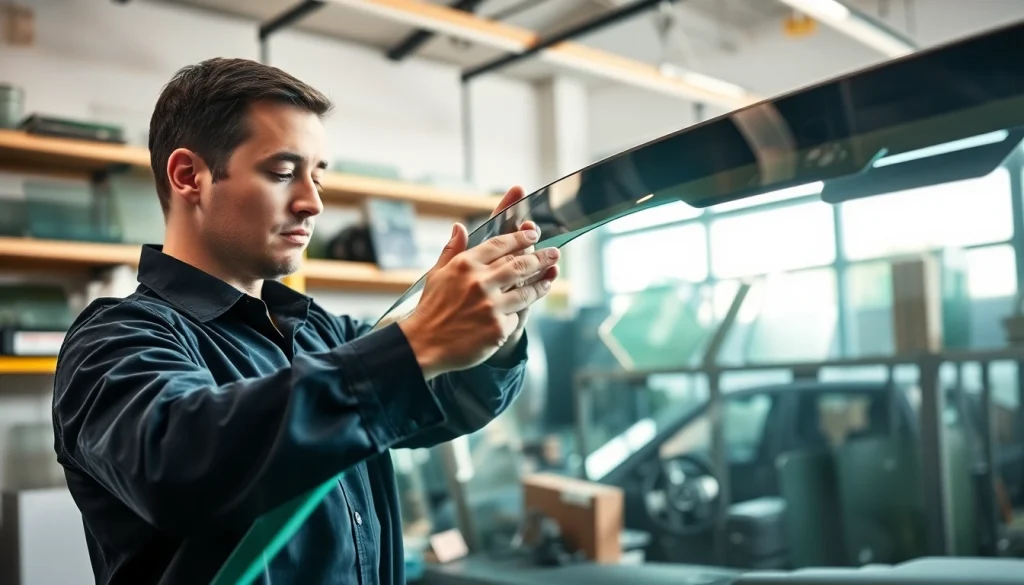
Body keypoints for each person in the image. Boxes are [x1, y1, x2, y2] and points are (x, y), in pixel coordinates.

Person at [51, 57, 560, 585]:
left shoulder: (319, 331)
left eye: (317, 176)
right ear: (189, 176)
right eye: (282, 173)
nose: (313, 202)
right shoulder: (116, 337)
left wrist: (498, 322)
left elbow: (450, 400)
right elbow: (179, 466)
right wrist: (418, 342)